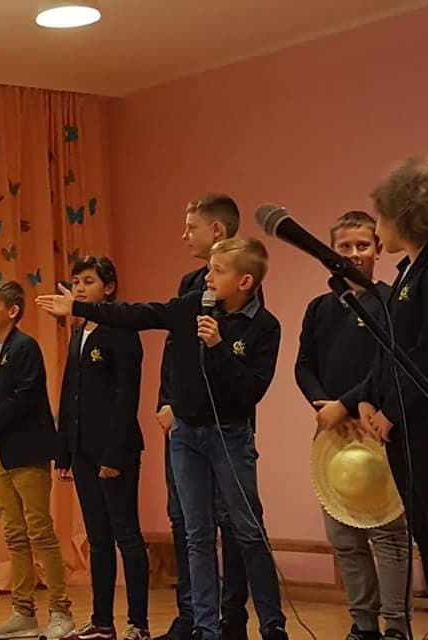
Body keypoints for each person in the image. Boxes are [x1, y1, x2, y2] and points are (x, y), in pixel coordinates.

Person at [37, 237, 288, 640]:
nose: (208, 277)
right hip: (186, 436)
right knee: (197, 534)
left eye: (218, 270)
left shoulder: (264, 327)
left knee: (246, 530)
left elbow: (250, 391)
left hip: (230, 436)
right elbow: (141, 314)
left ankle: (273, 625)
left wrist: (218, 346)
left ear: (245, 281)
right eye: (209, 268)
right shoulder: (193, 306)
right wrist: (79, 308)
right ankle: (205, 628)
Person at [317, 158, 428, 640]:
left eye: (382, 215)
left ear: (407, 214)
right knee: (426, 534)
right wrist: (367, 400)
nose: (378, 226)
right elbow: (389, 352)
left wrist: (393, 410)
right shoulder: (412, 270)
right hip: (408, 423)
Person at [295, 210, 410, 640]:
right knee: (345, 539)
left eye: (363, 245)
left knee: (388, 537)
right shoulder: (319, 308)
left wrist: (346, 404)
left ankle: (395, 625)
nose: (354, 253)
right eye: (344, 246)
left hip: (376, 428)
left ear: (378, 249)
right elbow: (304, 365)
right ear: (331, 252)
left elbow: (389, 363)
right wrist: (324, 406)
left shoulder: (391, 302)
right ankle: (363, 624)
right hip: (332, 434)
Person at [155, 195, 251, 640]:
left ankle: (231, 617)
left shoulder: (242, 287)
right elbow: (176, 350)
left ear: (217, 231)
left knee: (230, 520)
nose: (183, 235)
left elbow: (233, 361)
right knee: (185, 519)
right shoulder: (189, 284)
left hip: (222, 424)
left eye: (191, 227)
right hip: (182, 421)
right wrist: (167, 400)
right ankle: (192, 614)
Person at [0, 280, 74, 640]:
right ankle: (23, 612)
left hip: (28, 451)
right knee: (14, 533)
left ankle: (61, 611)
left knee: (39, 530)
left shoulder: (25, 347)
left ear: (13, 311)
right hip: (1, 450)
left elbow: (25, 399)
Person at [56, 256, 148, 640]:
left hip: (115, 451)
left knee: (126, 535)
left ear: (108, 288)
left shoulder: (121, 330)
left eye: (89, 281)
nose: (79, 288)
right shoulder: (80, 331)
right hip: (82, 450)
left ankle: (138, 624)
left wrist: (113, 454)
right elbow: (69, 394)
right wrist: (64, 452)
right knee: (98, 539)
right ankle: (102, 621)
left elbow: (127, 396)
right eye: (76, 281)